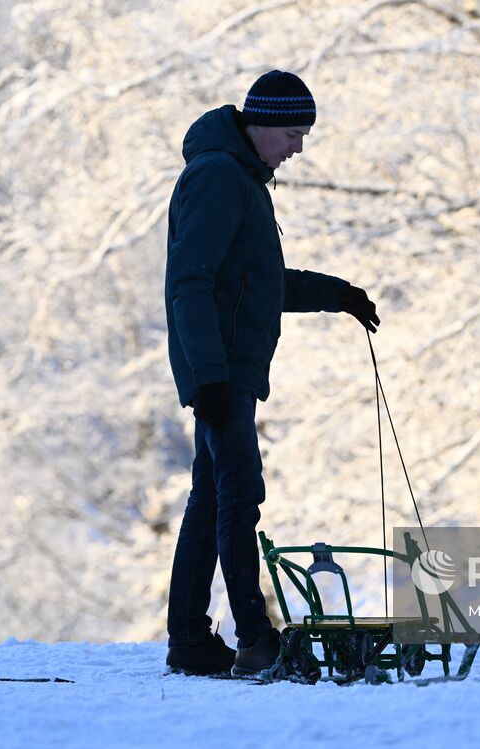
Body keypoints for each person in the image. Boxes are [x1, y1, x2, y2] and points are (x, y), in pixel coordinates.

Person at [163, 71, 380, 678]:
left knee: (212, 500)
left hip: (228, 368)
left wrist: (338, 295)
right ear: (258, 125)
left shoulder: (242, 178)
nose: (299, 146)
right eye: (292, 132)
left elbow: (253, 288)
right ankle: (255, 638)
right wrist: (209, 377)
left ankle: (190, 639)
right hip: (221, 372)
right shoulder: (217, 177)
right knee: (238, 498)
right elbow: (191, 282)